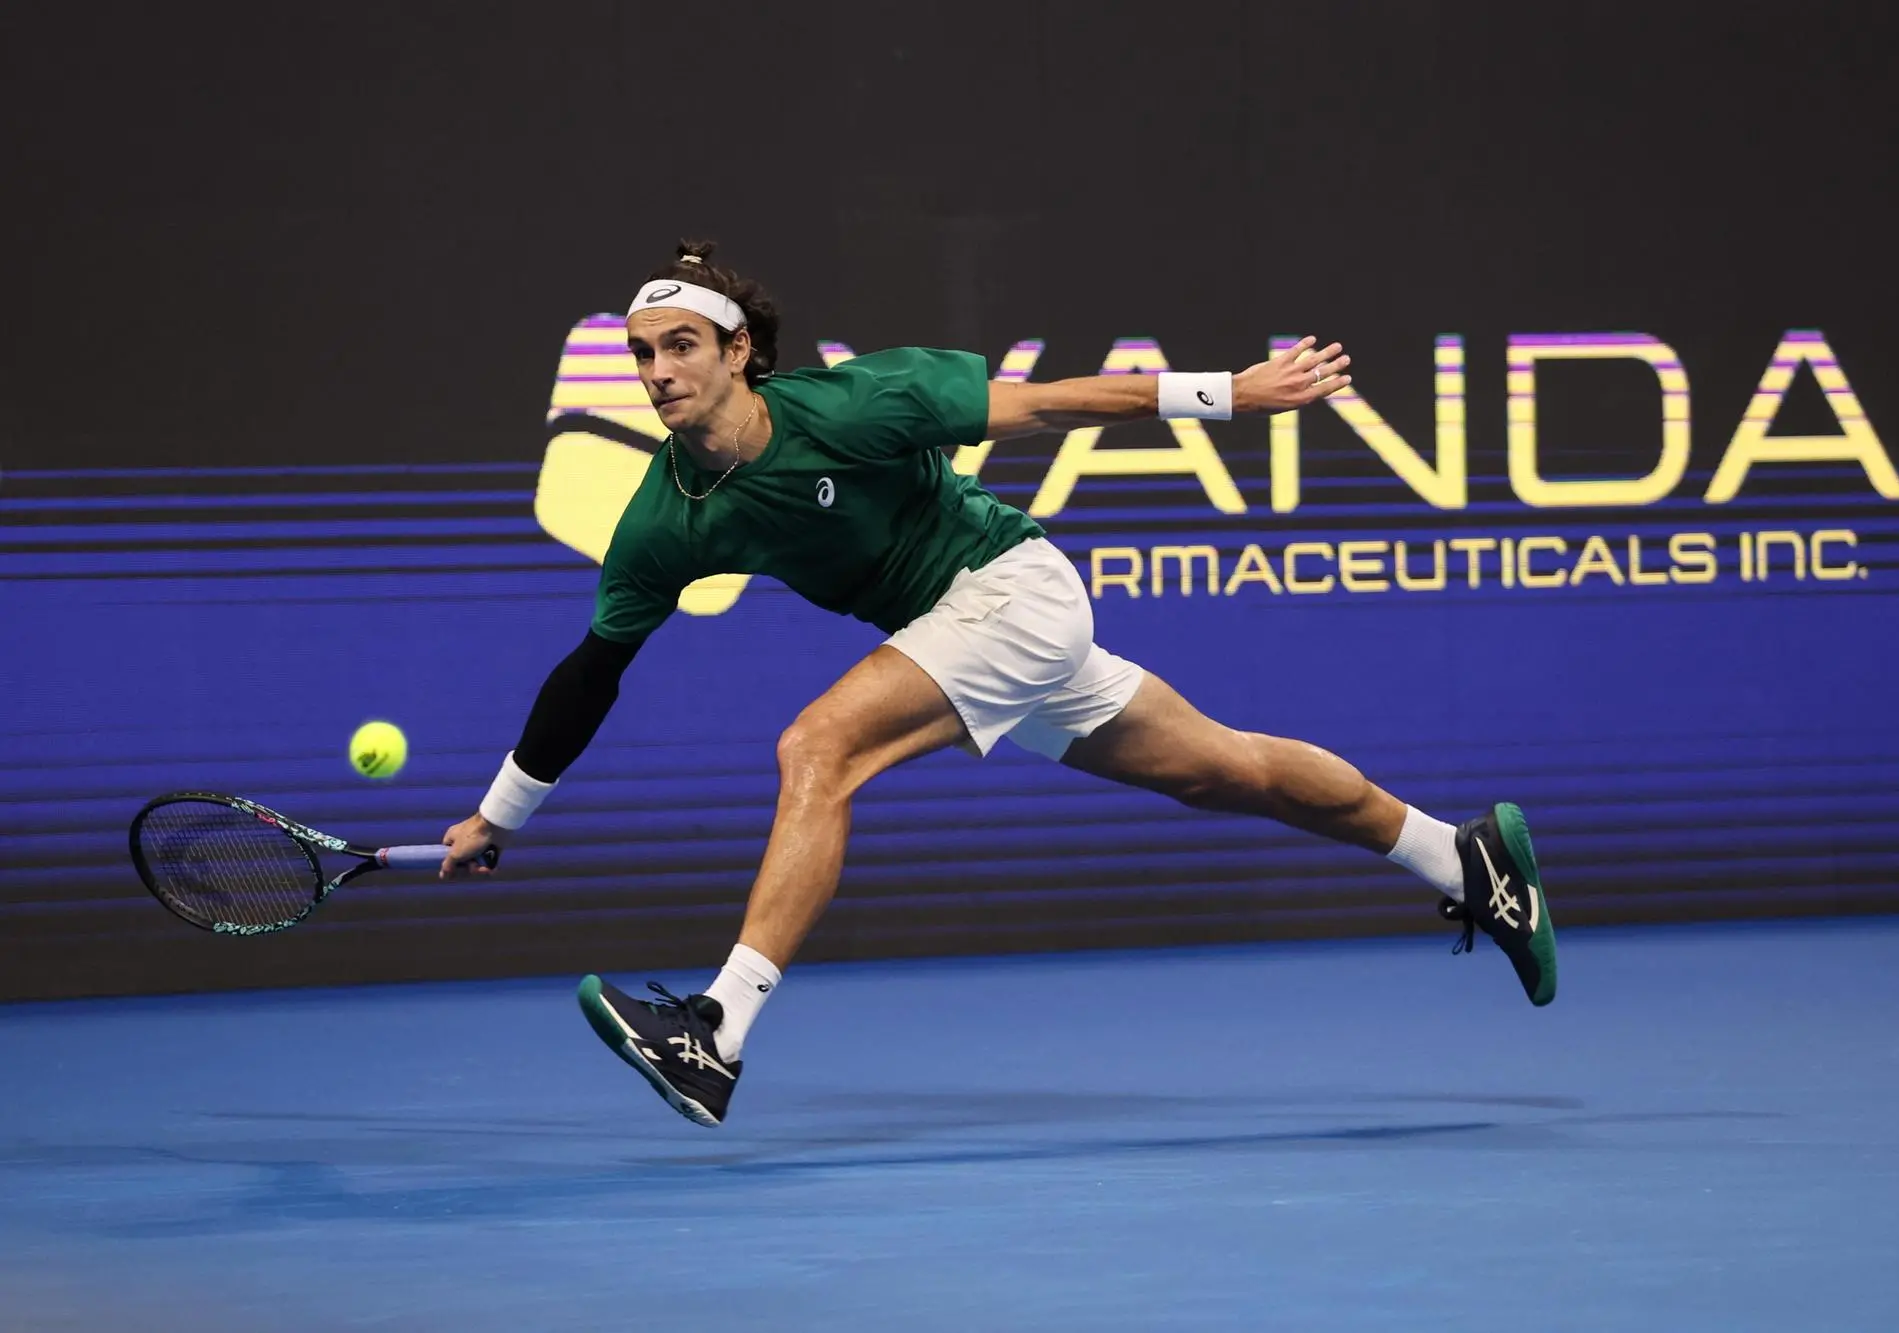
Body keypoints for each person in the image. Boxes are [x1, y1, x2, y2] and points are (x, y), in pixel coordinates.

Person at [440, 240, 1557, 1128]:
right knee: (1224, 771)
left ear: (739, 352)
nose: (658, 374)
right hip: (966, 633)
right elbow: (593, 671)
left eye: (680, 345)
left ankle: (715, 1031)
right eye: (640, 356)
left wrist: (1236, 392)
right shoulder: (664, 515)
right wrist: (500, 813)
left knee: (814, 749)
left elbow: (1063, 400)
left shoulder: (855, 405)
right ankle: (1456, 854)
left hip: (1006, 591)